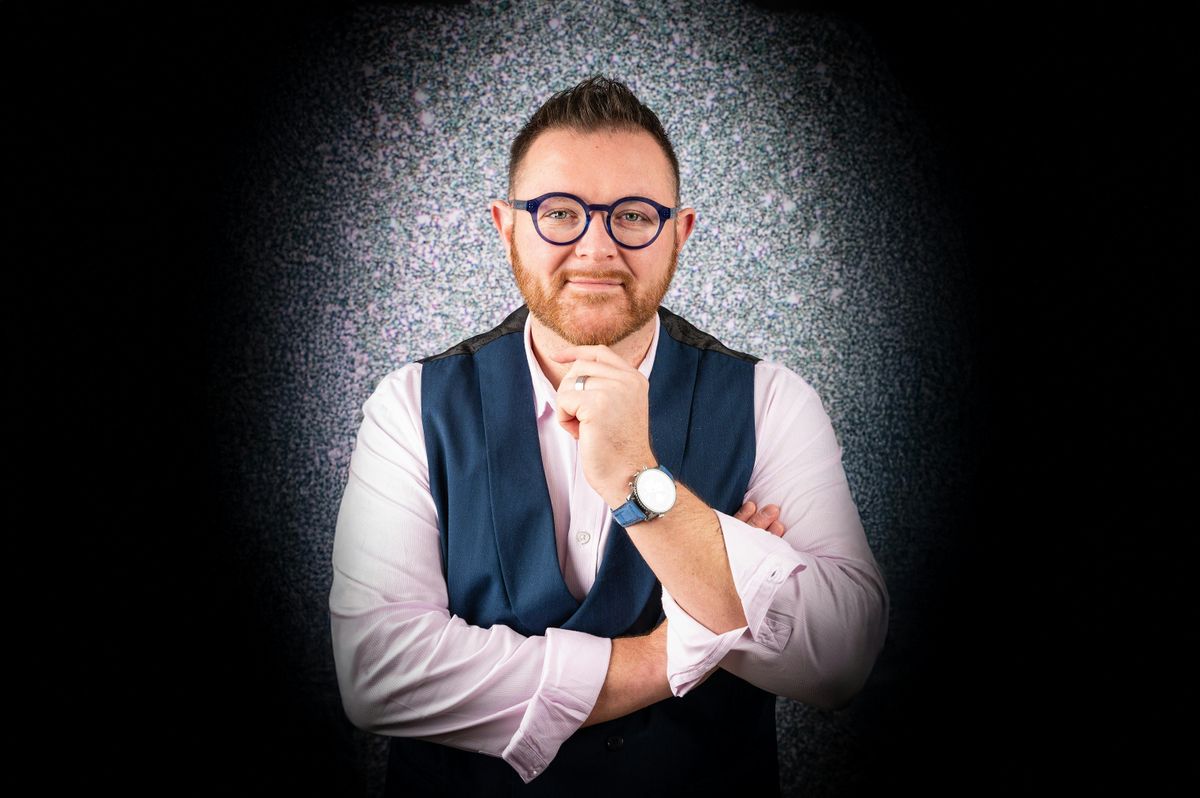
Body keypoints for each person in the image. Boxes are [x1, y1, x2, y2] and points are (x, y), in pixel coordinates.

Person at [330, 75, 888, 795]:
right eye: (559, 212)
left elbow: (841, 660)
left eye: (633, 215)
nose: (596, 247)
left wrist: (637, 480)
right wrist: (679, 645)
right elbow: (379, 676)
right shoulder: (409, 406)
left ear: (679, 233)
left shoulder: (772, 402)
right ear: (506, 227)